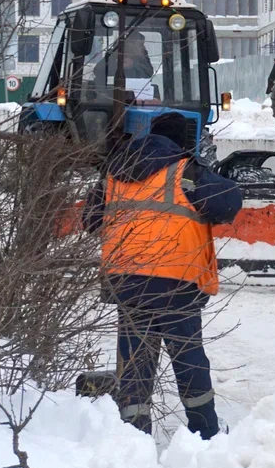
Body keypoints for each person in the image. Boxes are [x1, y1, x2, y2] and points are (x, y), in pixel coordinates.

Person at [82, 112, 243, 440]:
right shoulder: (188, 172)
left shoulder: (113, 173)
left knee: (135, 361)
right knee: (188, 358)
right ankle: (205, 430)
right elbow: (228, 204)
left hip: (125, 280)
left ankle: (134, 433)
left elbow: (89, 220)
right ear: (184, 144)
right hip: (176, 279)